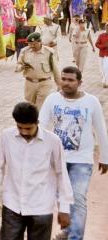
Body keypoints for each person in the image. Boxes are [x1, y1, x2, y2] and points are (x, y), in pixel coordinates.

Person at [39, 66, 108, 240]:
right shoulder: (52, 99)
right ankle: (69, 230)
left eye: (71, 80)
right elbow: (40, 127)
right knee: (63, 199)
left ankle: (75, 237)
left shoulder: (91, 101)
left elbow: (101, 130)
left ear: (80, 82)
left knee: (78, 198)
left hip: (82, 159)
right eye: (63, 79)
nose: (66, 83)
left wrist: (105, 156)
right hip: (57, 159)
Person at [0, 102, 73, 240]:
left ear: (37, 122)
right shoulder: (7, 136)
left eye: (28, 128)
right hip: (12, 204)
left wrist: (64, 207)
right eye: (19, 127)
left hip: (41, 207)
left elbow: (61, 173)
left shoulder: (52, 141)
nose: (23, 132)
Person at [15, 32, 60, 111]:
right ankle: (34, 121)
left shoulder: (49, 52)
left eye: (34, 44)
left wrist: (59, 84)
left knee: (40, 107)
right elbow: (17, 67)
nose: (32, 46)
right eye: (29, 44)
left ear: (40, 42)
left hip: (44, 83)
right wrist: (21, 67)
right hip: (29, 83)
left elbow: (55, 70)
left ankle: (38, 122)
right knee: (31, 107)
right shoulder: (24, 51)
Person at [95, 23, 108, 87]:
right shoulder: (101, 35)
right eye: (107, 27)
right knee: (101, 68)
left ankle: (106, 82)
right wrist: (103, 46)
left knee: (106, 68)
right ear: (105, 28)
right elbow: (97, 44)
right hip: (101, 55)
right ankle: (103, 80)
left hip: (107, 56)